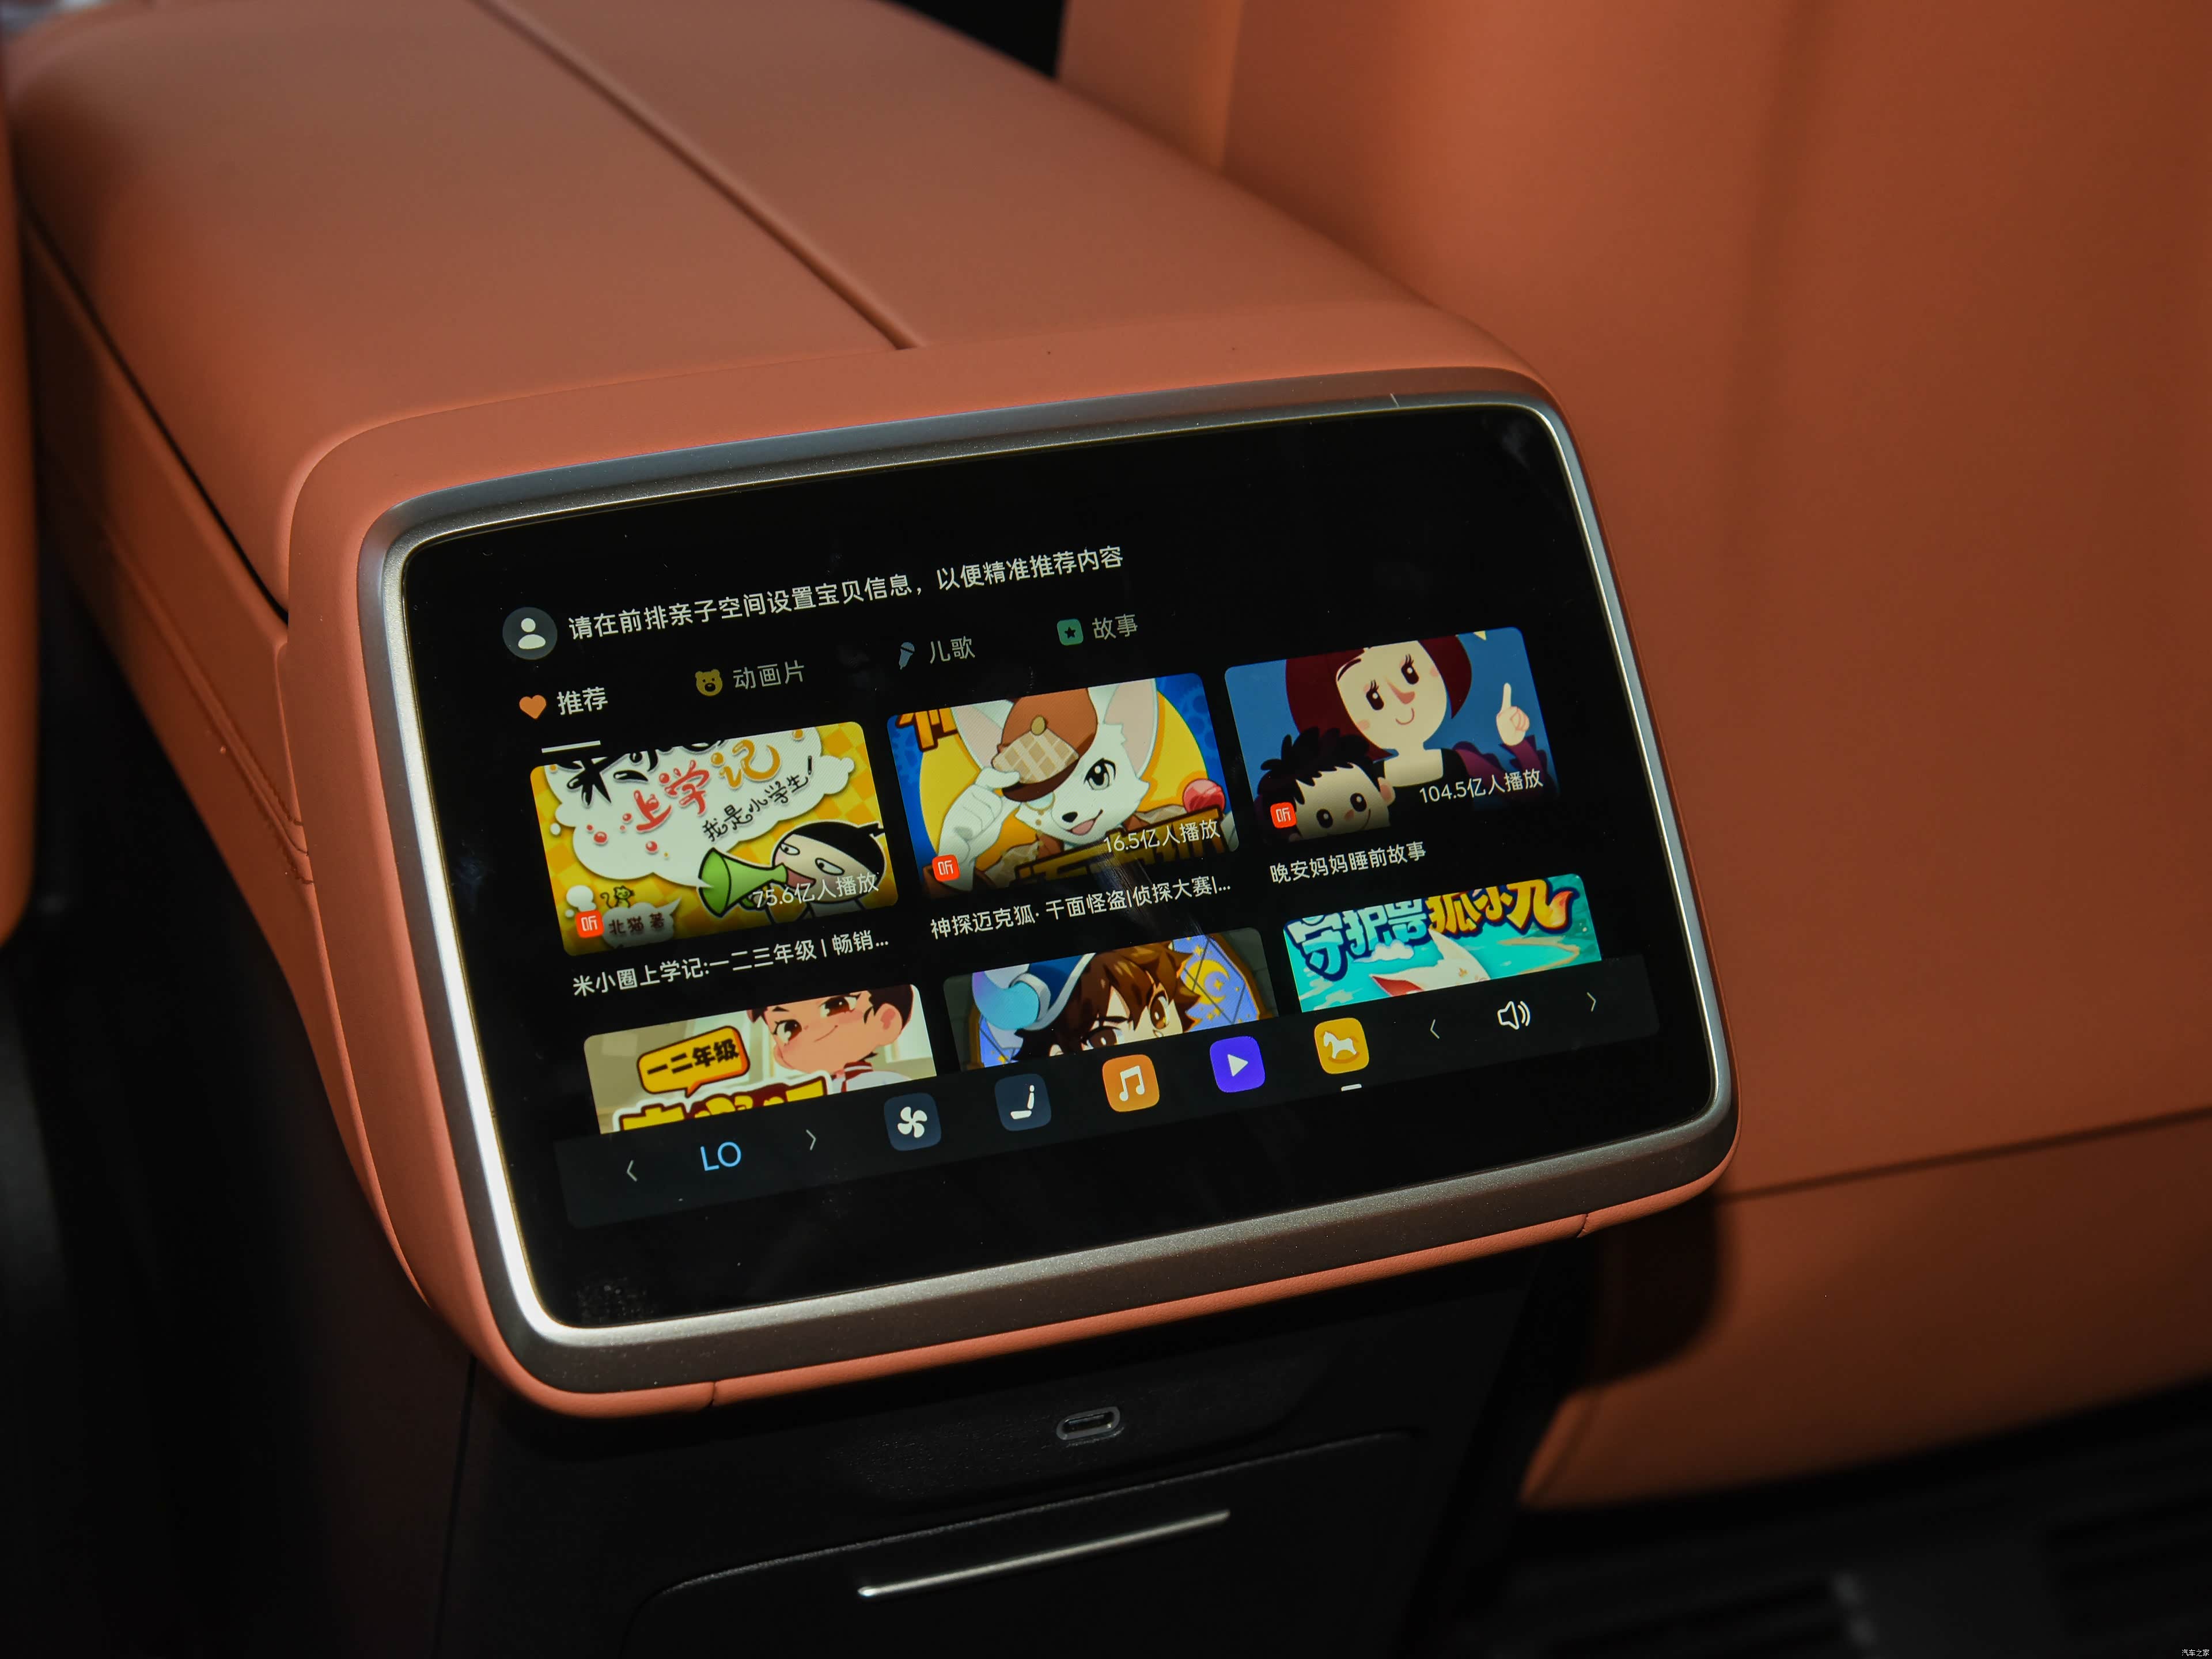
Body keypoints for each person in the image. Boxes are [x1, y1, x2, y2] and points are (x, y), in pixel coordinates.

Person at [1284, 638, 1548, 791]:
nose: (1403, 698)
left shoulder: (1462, 761)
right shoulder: (1363, 785)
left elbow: (1531, 791)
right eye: (1373, 698)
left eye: (1410, 673)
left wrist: (1517, 743)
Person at [748, 987, 915, 1092]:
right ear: (781, 1056)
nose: (811, 1030)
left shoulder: (890, 1083)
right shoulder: (808, 1094)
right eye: (789, 1028)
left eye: (836, 1006)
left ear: (886, 1022)